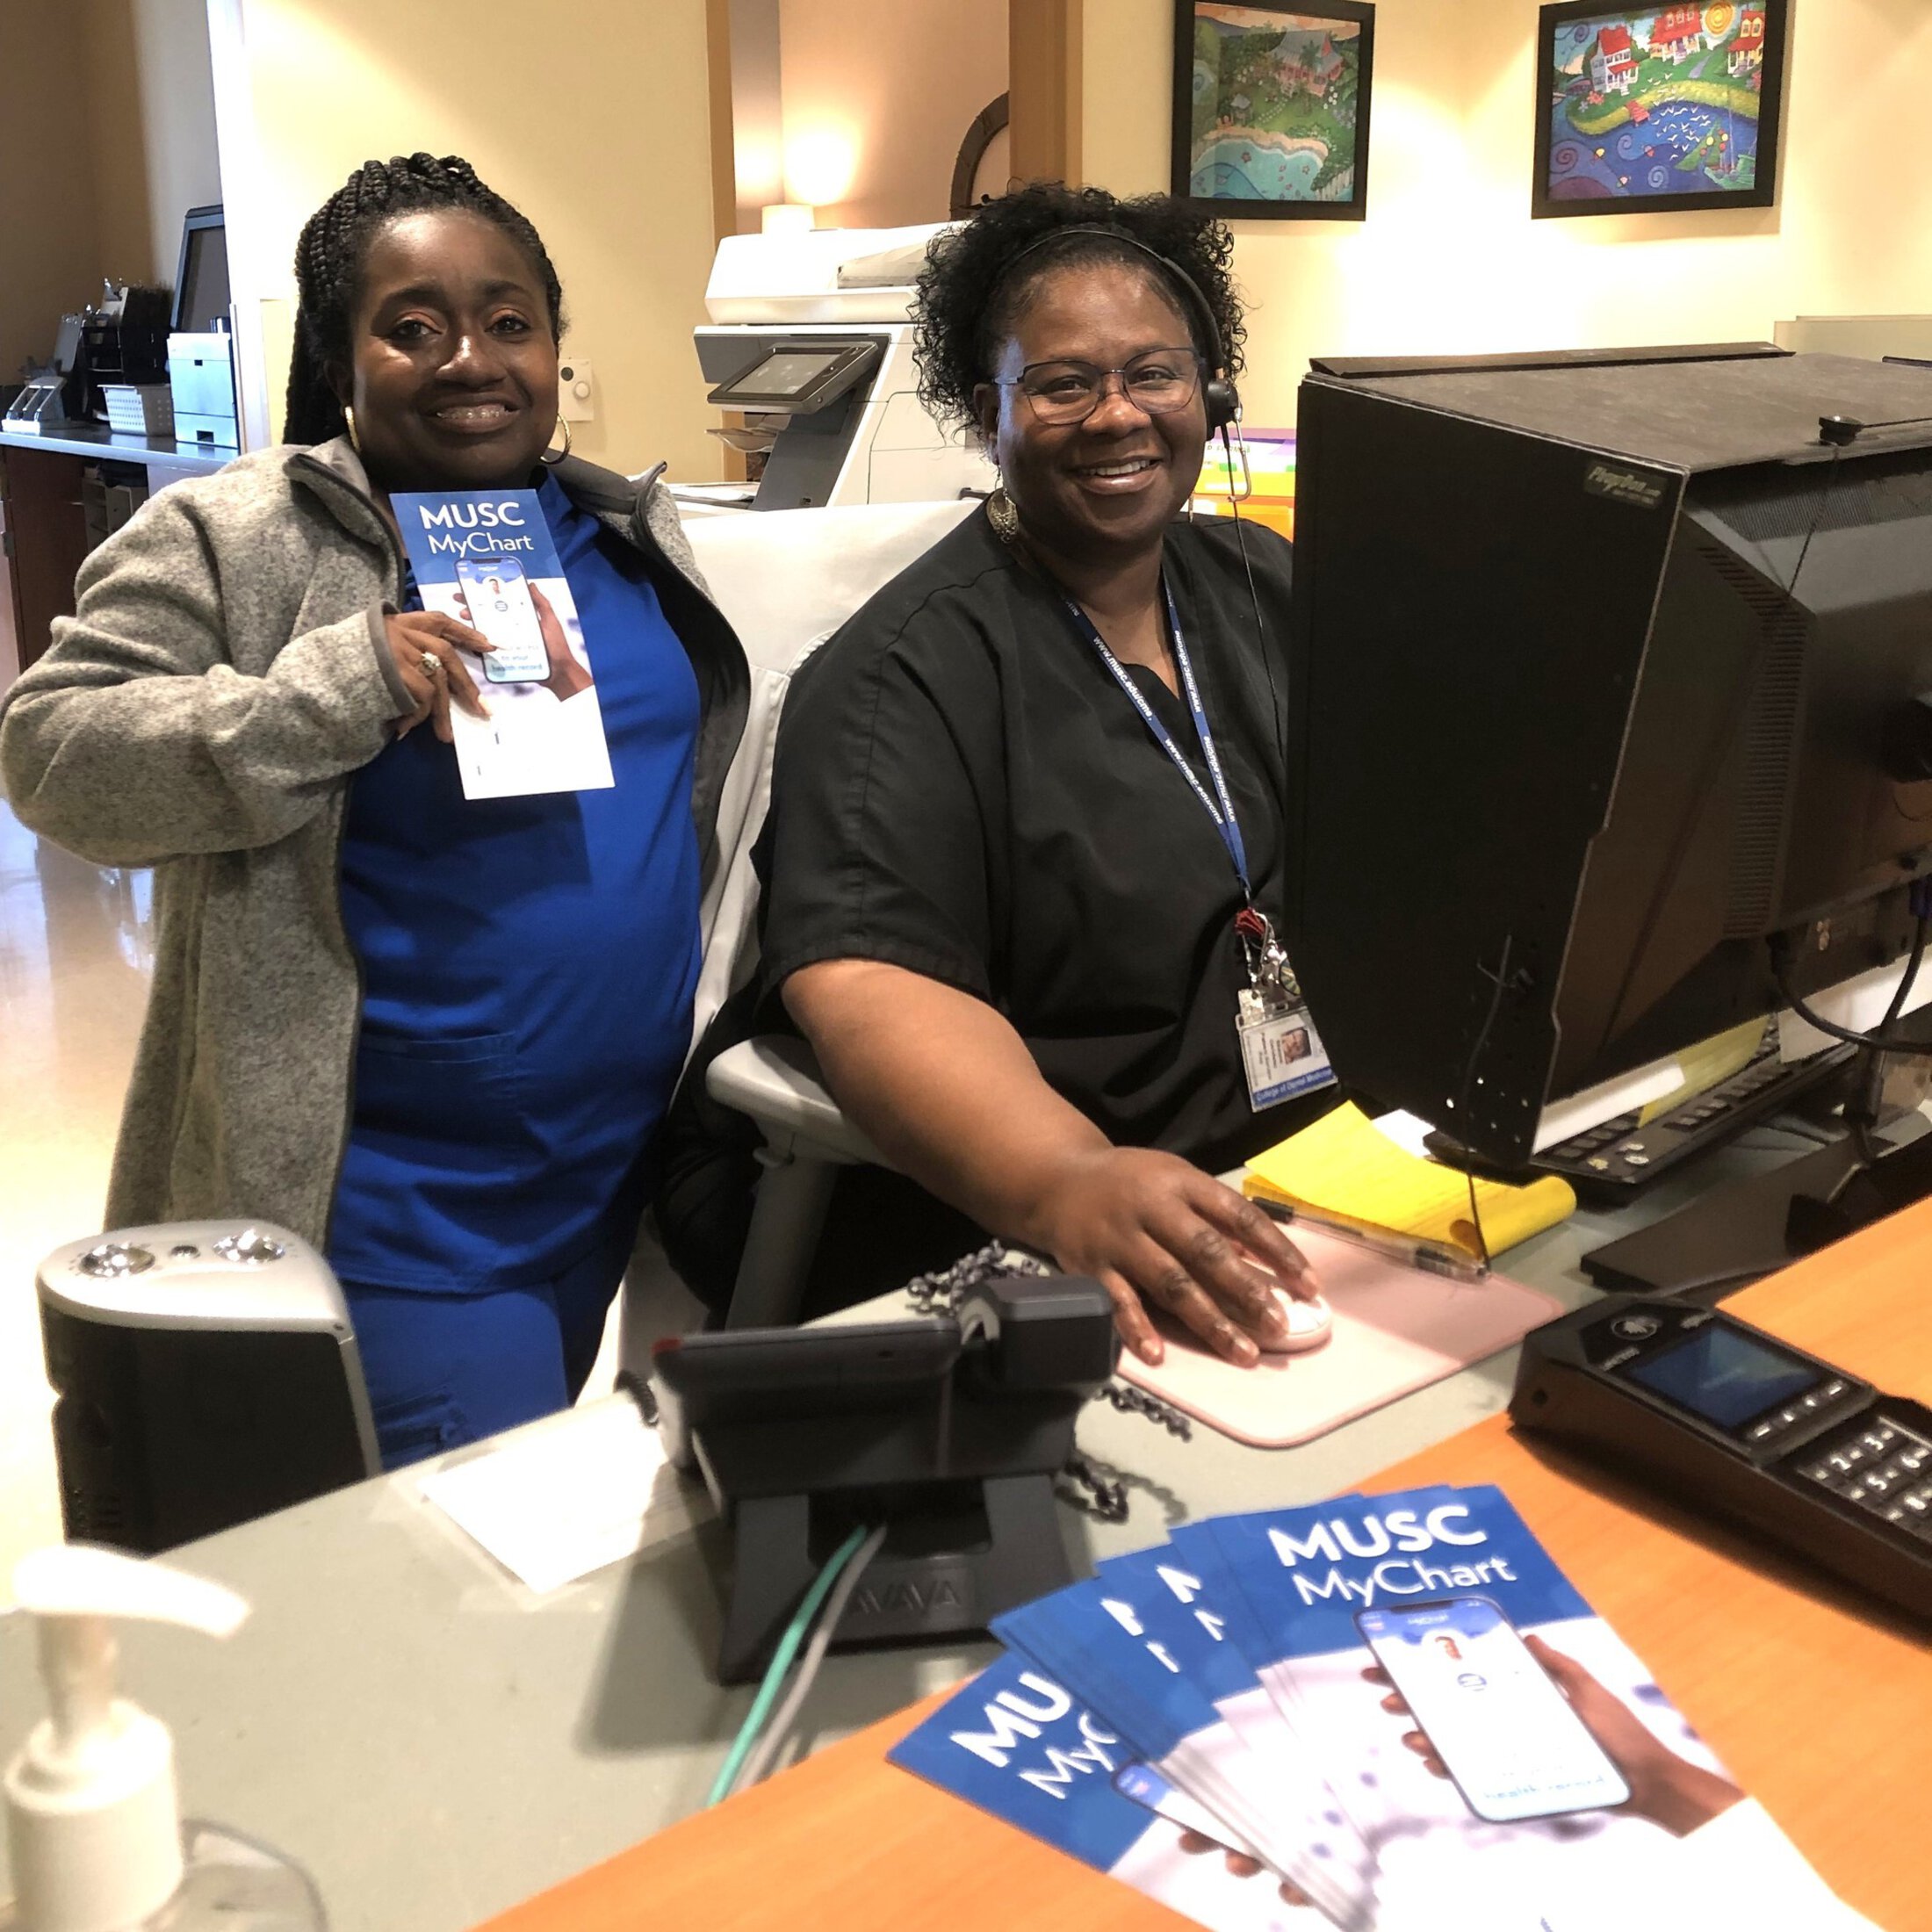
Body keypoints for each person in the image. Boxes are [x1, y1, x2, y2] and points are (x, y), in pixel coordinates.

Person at [0, 154, 746, 1466]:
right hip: (394, 1215)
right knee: (438, 1614)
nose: (471, 357)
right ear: (341, 366)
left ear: (555, 349)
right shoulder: (237, 540)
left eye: (510, 321)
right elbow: (53, 754)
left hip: (603, 1182)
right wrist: (339, 684)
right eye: (413, 327)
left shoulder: (627, 533)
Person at [662, 183, 1331, 1366]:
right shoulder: (895, 682)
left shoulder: (1259, 582)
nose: (1119, 416)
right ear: (990, 413)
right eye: (1065, 384)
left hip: (1310, 1178)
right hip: (1044, 1234)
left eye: (1157, 375)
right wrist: (1064, 1177)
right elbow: (869, 983)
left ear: (1211, 389)